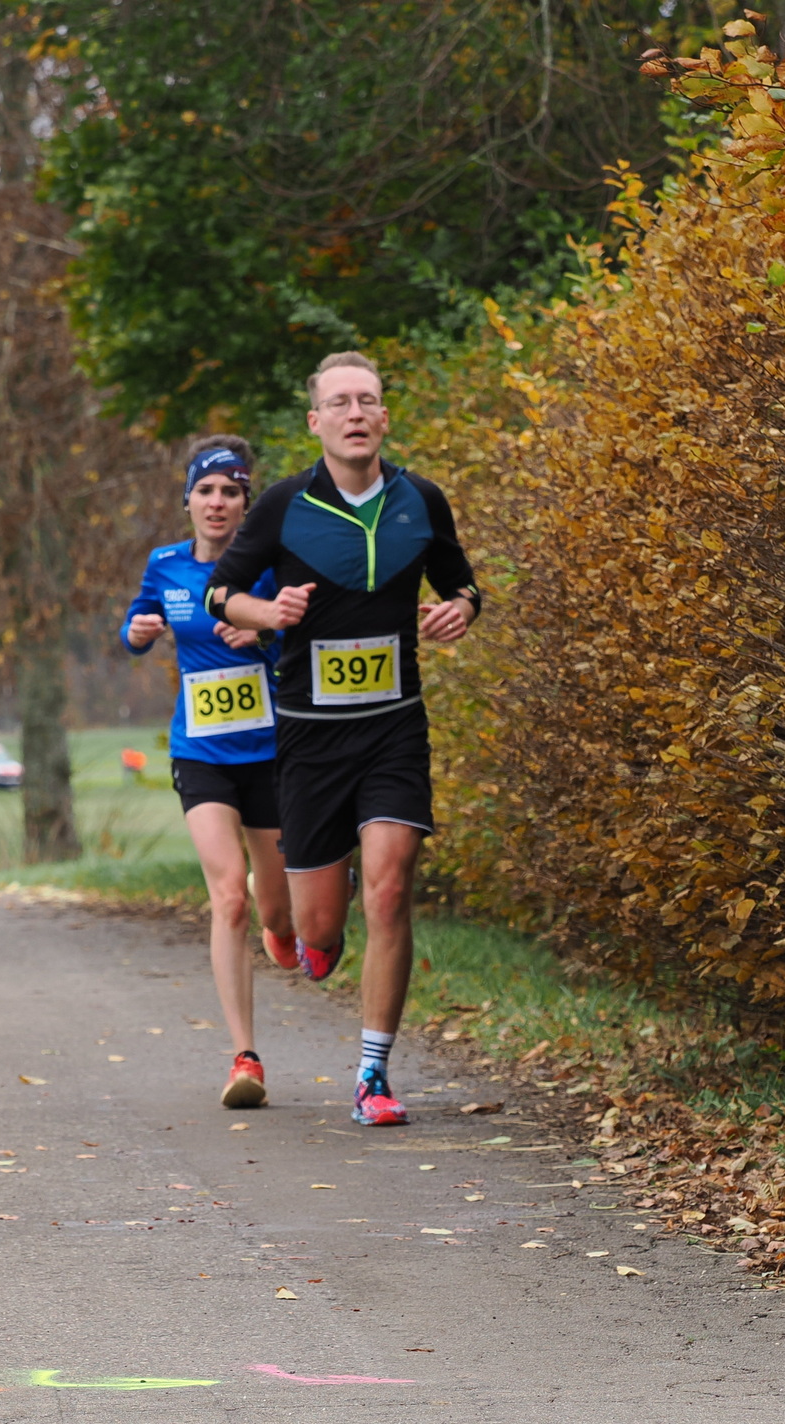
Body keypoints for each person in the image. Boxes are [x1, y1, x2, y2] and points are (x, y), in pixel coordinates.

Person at [206, 353, 478, 1126]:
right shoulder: (284, 506)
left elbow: (462, 581)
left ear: (384, 417)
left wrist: (461, 608)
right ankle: (315, 910)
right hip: (310, 740)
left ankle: (372, 1076)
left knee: (391, 889)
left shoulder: (420, 500)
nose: (355, 413)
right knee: (317, 936)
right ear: (316, 421)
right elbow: (220, 591)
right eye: (340, 402)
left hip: (394, 730)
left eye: (368, 401)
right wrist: (268, 614)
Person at [123, 436, 300, 1110]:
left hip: (270, 753)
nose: (218, 502)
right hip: (199, 753)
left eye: (231, 492)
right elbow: (136, 620)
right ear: (189, 500)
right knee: (229, 897)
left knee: (273, 908)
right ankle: (245, 1057)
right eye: (206, 491)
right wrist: (137, 634)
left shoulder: (267, 567)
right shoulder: (165, 564)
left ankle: (281, 922)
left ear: (246, 503)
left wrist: (264, 634)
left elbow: (302, 636)